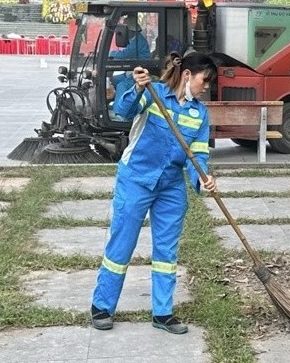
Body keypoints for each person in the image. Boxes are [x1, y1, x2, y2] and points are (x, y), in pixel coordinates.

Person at [91, 52, 218, 334]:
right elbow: (123, 110)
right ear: (187, 75)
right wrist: (136, 88)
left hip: (171, 187)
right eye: (204, 80)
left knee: (166, 252)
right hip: (136, 179)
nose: (206, 86)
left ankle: (162, 312)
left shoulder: (199, 113)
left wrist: (203, 177)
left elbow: (197, 154)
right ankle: (102, 306)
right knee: (121, 244)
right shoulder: (154, 92)